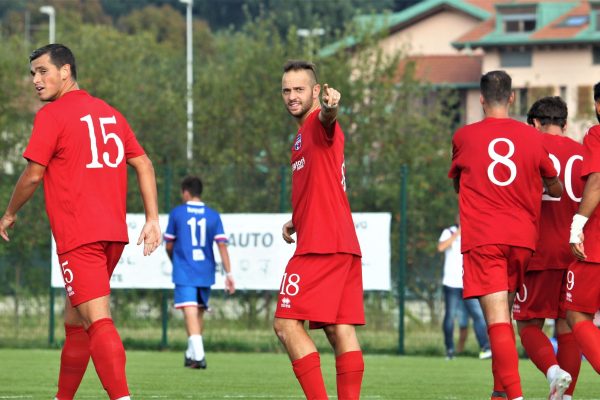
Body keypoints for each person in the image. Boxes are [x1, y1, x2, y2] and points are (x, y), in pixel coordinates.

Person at [0, 44, 161, 400]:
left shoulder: (53, 116)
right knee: (75, 324)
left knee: (97, 320)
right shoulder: (110, 114)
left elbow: (32, 175)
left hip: (80, 234)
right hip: (111, 235)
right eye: (32, 74)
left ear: (66, 71)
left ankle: (122, 397)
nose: (36, 81)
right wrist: (152, 218)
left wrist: (9, 213)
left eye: (43, 72)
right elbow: (144, 163)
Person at [448, 70, 562, 400]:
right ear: (512, 98)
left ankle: (514, 396)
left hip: (485, 237)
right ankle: (500, 391)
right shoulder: (533, 137)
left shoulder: (464, 137)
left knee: (497, 320)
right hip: (523, 239)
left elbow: (458, 181)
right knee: (507, 316)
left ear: (481, 99)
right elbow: (552, 182)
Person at [273, 60, 364, 400]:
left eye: (299, 90)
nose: (291, 96)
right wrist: (297, 219)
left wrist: (331, 108)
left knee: (285, 323)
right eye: (286, 90)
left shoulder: (317, 123)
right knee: (339, 329)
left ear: (315, 91)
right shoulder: (301, 136)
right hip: (340, 241)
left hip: (322, 245)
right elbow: (323, 183)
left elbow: (328, 120)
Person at [513, 96, 583, 400]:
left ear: (534, 123)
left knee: (527, 325)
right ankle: (565, 397)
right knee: (569, 326)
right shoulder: (584, 153)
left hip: (538, 250)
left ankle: (554, 374)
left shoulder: (529, 148)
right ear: (565, 124)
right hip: (576, 252)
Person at [164, 176, 235, 369]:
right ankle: (191, 354)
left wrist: (175, 260)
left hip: (185, 270)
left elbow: (169, 244)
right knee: (198, 313)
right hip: (205, 270)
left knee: (190, 312)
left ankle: (200, 356)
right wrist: (229, 274)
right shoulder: (213, 215)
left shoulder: (177, 213)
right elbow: (222, 245)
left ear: (186, 192)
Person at [568, 81, 600, 376]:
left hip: (597, 247)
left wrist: (577, 226)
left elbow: (597, 179)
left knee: (576, 313)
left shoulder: (597, 133)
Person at [438, 217, 491, 360]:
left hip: (468, 282)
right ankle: (449, 350)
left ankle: (485, 348)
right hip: (451, 283)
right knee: (450, 317)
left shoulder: (474, 232)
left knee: (478, 315)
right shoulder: (448, 231)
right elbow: (441, 247)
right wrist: (458, 234)